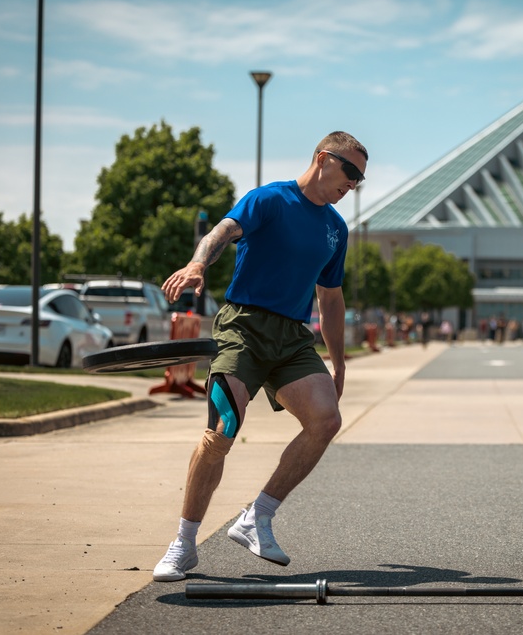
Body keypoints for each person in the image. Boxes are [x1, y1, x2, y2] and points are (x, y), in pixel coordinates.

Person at [151, 131, 368, 582]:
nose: (354, 183)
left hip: (292, 337)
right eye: (350, 171)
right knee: (222, 431)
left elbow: (330, 299)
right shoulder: (270, 199)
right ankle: (184, 544)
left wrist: (339, 360)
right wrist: (197, 264)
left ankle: (257, 516)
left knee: (326, 420)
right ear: (323, 158)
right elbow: (223, 230)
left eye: (361, 179)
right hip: (242, 326)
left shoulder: (336, 228)